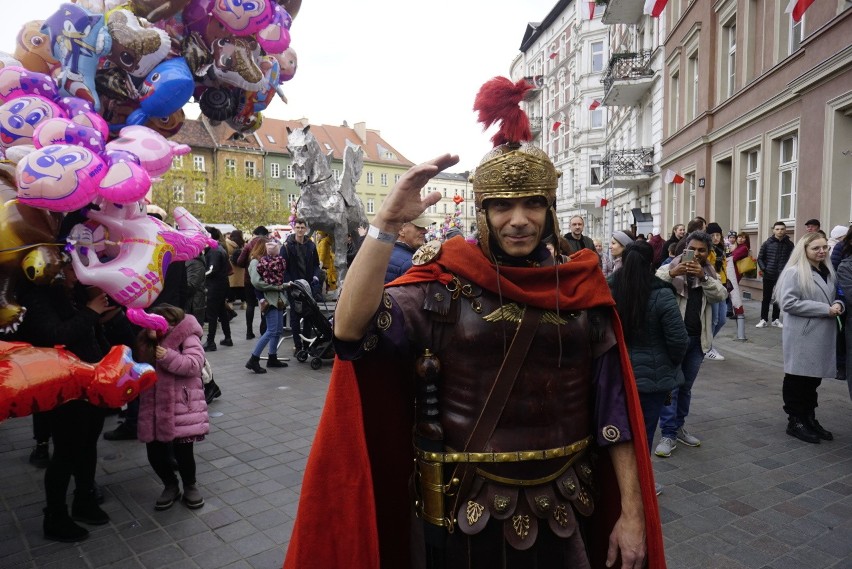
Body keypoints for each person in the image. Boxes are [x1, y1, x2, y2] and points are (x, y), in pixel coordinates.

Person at [284, 77, 664, 569]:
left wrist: (631, 512)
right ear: (482, 212)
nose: (519, 219)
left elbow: (614, 416)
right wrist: (383, 225)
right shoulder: (443, 285)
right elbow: (350, 331)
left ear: (550, 210)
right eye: (502, 205)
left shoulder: (580, 288)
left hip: (569, 503)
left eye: (532, 204)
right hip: (465, 515)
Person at [17, 262, 114, 542]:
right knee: (66, 452)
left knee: (87, 446)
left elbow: (86, 332)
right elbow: (55, 336)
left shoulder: (72, 294)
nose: (78, 275)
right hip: (64, 389)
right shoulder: (36, 298)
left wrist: (100, 316)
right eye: (72, 269)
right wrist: (90, 312)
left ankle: (83, 499)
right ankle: (55, 516)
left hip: (90, 383)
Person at [608, 241, 688, 495]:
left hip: (615, 374)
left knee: (615, 430)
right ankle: (642, 483)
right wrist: (670, 365)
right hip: (651, 380)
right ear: (651, 263)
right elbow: (678, 340)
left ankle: (614, 482)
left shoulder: (607, 289)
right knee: (644, 434)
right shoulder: (662, 294)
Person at [654, 231, 728, 459]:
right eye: (692, 249)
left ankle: (678, 428)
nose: (696, 254)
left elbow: (721, 294)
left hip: (697, 340)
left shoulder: (709, 272)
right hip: (672, 340)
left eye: (701, 250)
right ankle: (667, 433)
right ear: (684, 249)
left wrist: (704, 279)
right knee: (671, 389)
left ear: (708, 253)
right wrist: (673, 272)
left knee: (685, 387)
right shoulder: (669, 266)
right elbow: (653, 285)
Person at [135, 304, 209, 509]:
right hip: (154, 406)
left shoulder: (187, 336)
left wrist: (166, 356)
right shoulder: (148, 338)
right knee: (155, 452)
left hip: (181, 406)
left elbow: (194, 364)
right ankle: (170, 484)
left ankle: (190, 485)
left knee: (184, 452)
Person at [776, 233, 842, 443]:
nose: (822, 251)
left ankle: (809, 417)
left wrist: (840, 304)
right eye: (816, 248)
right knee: (798, 379)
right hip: (803, 334)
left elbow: (837, 295)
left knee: (813, 380)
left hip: (821, 333)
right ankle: (795, 421)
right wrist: (825, 309)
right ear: (804, 250)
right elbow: (788, 303)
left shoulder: (828, 271)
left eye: (824, 247)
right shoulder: (795, 272)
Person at [246, 239, 290, 373]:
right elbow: (256, 282)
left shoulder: (268, 261)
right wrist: (277, 287)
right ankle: (253, 359)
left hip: (276, 299)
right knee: (271, 330)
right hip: (268, 299)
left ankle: (272, 357)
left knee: (277, 330)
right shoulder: (255, 262)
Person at [281, 218, 323, 352]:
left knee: (309, 315)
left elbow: (316, 264)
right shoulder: (287, 246)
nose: (300, 230)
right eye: (297, 227)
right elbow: (284, 268)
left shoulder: (311, 245)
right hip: (294, 286)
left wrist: (316, 276)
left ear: (306, 229)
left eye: (302, 228)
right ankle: (298, 345)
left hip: (308, 286)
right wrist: (289, 282)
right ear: (294, 228)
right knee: (295, 315)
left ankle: (306, 345)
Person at [756, 221, 794, 328]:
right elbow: (760, 258)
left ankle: (775, 319)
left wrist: (788, 270)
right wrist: (764, 269)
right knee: (766, 298)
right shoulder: (767, 243)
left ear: (785, 230)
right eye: (777, 229)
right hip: (769, 274)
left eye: (782, 229)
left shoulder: (789, 244)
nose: (780, 231)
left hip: (782, 276)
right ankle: (763, 319)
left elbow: (793, 258)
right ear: (773, 230)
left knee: (778, 298)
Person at [236, 226, 270, 340]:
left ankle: (249, 332)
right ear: (265, 235)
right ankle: (263, 330)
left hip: (249, 279)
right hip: (264, 280)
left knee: (250, 305)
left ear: (255, 234)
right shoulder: (268, 244)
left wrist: (248, 266)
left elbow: (240, 262)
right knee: (264, 303)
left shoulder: (248, 245)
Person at [202, 227, 232, 350]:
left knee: (212, 314)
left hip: (214, 286)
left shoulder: (214, 250)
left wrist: (201, 275)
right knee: (221, 312)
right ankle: (227, 337)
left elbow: (211, 270)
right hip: (221, 285)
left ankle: (210, 341)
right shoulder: (218, 248)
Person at [704, 222, 727, 361]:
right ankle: (707, 347)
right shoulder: (708, 250)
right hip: (712, 286)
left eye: (718, 235)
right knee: (714, 319)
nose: (716, 238)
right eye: (713, 235)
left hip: (722, 286)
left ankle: (707, 344)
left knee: (722, 319)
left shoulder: (721, 249)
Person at [384, 215, 429, 283]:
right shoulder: (411, 263)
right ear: (401, 230)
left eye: (424, 227)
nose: (425, 231)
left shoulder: (385, 253)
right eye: (419, 227)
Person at [226, 229, 246, 307]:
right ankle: (244, 303)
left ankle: (230, 304)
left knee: (231, 286)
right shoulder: (243, 244)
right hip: (241, 267)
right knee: (241, 286)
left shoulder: (227, 244)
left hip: (231, 267)